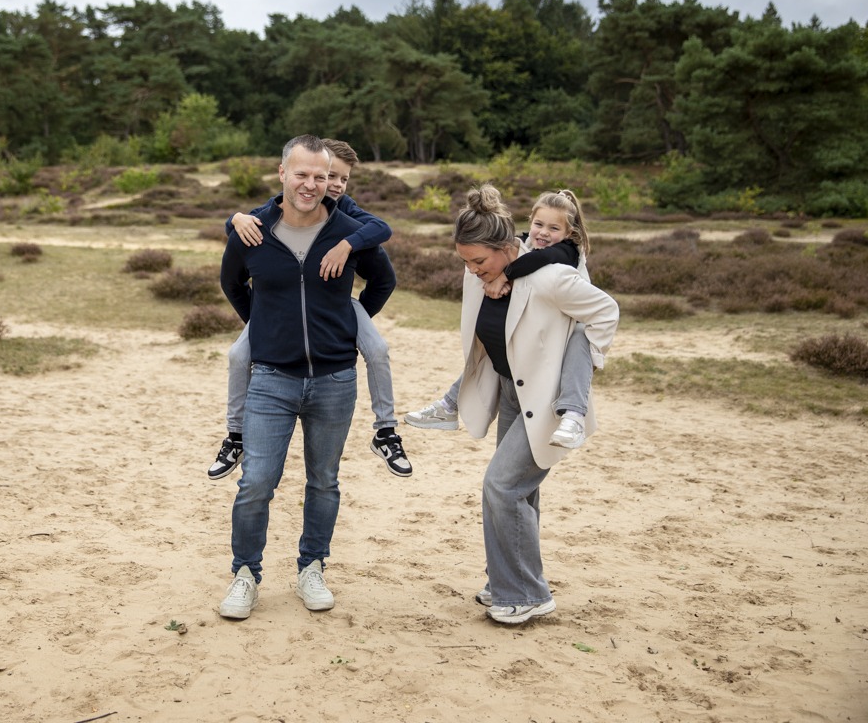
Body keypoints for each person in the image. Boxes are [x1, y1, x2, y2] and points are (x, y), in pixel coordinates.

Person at [216, 134, 397, 620]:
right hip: (271, 380)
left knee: (324, 482)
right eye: (302, 174)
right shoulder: (252, 230)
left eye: (321, 176)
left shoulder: (349, 231)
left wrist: (344, 324)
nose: (312, 184)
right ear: (282, 174)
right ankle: (245, 574)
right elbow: (231, 283)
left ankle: (312, 567)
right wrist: (265, 326)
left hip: (335, 381)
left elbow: (383, 280)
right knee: (256, 483)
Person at [452, 184, 618, 625]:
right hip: (513, 389)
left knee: (501, 486)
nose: (473, 270)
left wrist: (585, 355)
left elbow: (606, 311)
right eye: (467, 262)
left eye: (479, 262)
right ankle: (505, 581)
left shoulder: (553, 273)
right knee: (518, 490)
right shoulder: (504, 267)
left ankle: (527, 593)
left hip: (546, 398)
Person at [208, 138, 411, 481]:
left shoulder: (345, 209)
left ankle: (386, 431)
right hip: (276, 311)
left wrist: (347, 247)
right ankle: (236, 435)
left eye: (342, 179)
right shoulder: (291, 201)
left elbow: (382, 230)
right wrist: (235, 218)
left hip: (336, 307)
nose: (335, 184)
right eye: (330, 176)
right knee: (238, 355)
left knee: (378, 349)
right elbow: (248, 223)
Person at [405, 190, 596, 449]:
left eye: (553, 228)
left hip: (569, 335)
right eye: (538, 224)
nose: (543, 233)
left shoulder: (567, 252)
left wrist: (505, 275)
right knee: (496, 348)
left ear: (569, 232)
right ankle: (450, 403)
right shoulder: (529, 245)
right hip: (528, 357)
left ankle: (573, 414)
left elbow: (541, 259)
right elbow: (521, 250)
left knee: (579, 341)